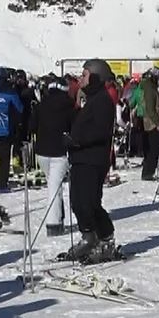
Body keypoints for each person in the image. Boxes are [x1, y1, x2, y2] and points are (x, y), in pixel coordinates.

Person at [65, 60, 118, 263]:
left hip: (93, 159)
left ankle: (105, 238)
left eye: (85, 75)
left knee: (90, 203)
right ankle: (88, 236)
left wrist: (77, 141)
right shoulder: (91, 98)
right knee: (78, 202)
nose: (81, 78)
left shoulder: (103, 100)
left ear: (95, 77)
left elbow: (101, 131)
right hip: (80, 157)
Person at [33, 75, 75, 236]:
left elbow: (32, 125)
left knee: (52, 184)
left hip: (42, 151)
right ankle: (53, 223)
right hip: (59, 151)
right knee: (54, 187)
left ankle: (58, 216)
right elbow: (74, 126)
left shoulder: (41, 104)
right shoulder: (69, 106)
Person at [135, 70, 159, 181]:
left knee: (151, 148)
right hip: (151, 123)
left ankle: (148, 172)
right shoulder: (150, 88)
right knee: (153, 149)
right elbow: (150, 108)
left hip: (147, 121)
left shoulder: (146, 87)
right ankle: (148, 172)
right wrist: (158, 123)